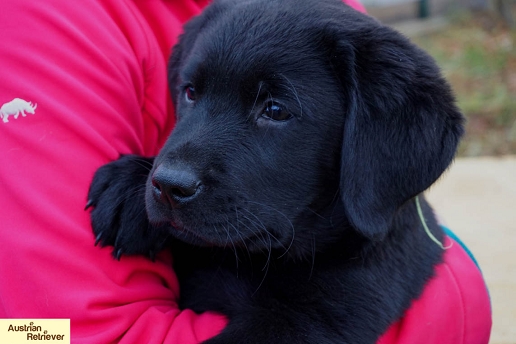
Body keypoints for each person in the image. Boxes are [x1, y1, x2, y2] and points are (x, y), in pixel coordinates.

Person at [1, 0, 491, 343]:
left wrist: (464, 298)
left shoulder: (329, 30)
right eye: (193, 94)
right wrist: (462, 297)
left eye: (275, 110)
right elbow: (45, 336)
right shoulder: (38, 23)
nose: (172, 172)